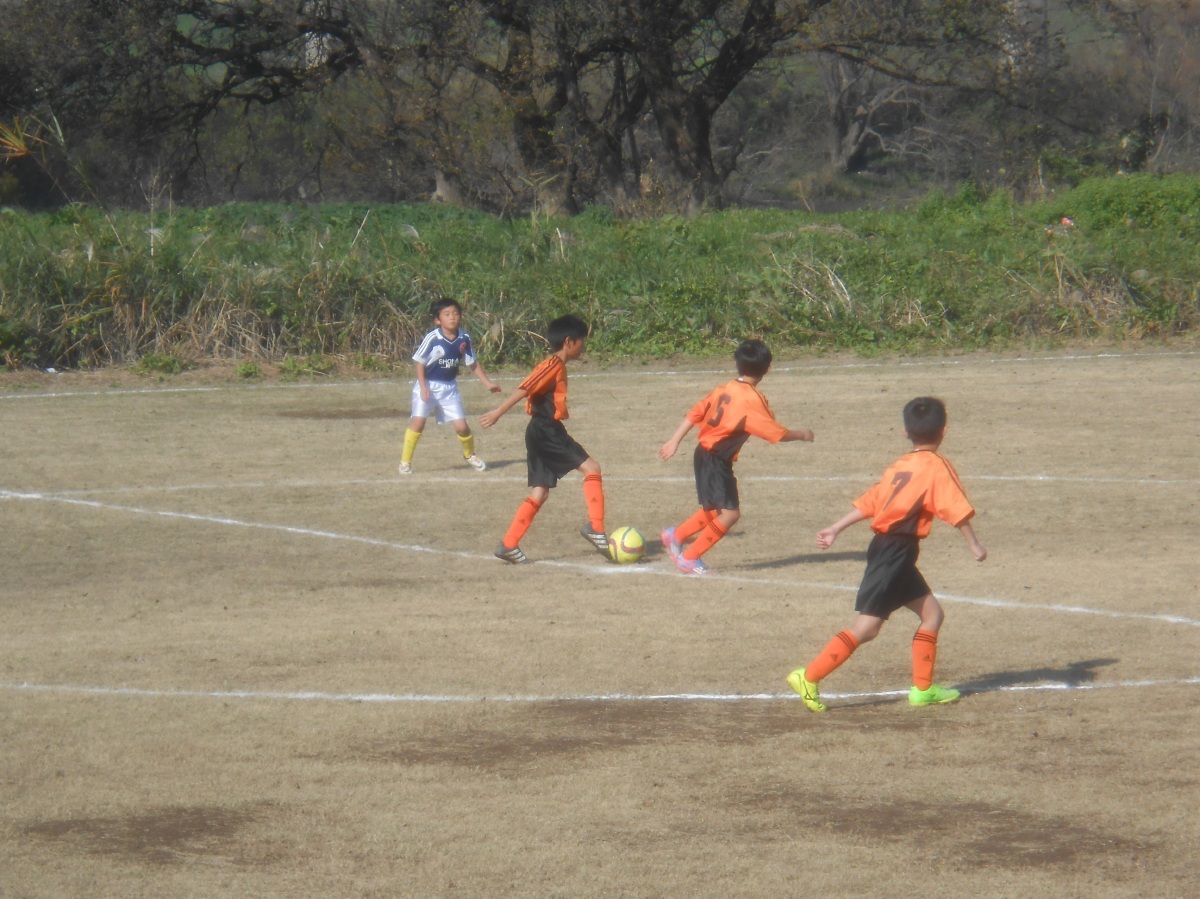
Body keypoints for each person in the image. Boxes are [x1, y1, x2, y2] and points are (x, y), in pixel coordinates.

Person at [787, 396, 987, 712]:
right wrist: (974, 544)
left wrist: (836, 527)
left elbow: (873, 501)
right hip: (894, 552)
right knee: (867, 627)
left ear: (906, 432)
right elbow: (954, 507)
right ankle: (808, 677)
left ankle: (923, 690)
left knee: (932, 615)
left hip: (893, 550)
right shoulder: (936, 466)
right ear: (944, 431)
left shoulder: (900, 466)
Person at [658, 339, 815, 575]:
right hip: (713, 458)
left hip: (709, 455)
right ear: (768, 368)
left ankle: (676, 535)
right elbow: (776, 433)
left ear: (738, 365)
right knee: (730, 514)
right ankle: (689, 557)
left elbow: (695, 412)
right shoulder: (752, 400)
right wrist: (802, 434)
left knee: (717, 509)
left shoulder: (725, 389)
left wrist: (674, 440)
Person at [480, 314, 609, 564]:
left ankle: (508, 544)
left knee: (540, 491)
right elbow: (525, 387)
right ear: (569, 342)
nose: (584, 346)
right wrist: (498, 412)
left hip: (538, 430)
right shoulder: (553, 365)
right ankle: (596, 527)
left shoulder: (556, 365)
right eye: (582, 341)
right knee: (592, 468)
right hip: (547, 430)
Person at [399, 297, 501, 475]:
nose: (452, 317)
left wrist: (487, 383)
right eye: (446, 314)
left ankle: (470, 455)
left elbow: (472, 362)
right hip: (428, 386)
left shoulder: (464, 338)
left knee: (462, 427)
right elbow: (419, 362)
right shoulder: (433, 338)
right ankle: (405, 462)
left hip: (449, 389)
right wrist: (423, 387)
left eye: (455, 313)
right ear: (437, 320)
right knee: (418, 423)